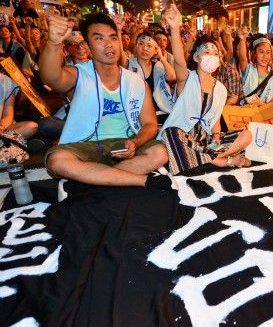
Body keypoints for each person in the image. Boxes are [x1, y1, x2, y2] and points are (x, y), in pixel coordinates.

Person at [38, 11, 174, 194]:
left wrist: (135, 142)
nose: (109, 44)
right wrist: (54, 43)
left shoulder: (136, 82)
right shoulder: (79, 73)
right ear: (87, 46)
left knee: (161, 152)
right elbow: (51, 78)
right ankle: (142, 181)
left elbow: (150, 124)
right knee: (57, 160)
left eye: (113, 38)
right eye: (99, 39)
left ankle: (89, 181)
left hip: (124, 144)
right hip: (86, 145)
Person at [161, 4, 252, 170]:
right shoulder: (187, 78)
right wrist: (175, 28)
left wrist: (217, 135)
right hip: (184, 135)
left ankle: (204, 157)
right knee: (170, 133)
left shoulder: (221, 89)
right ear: (196, 58)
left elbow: (215, 120)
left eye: (215, 53)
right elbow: (179, 61)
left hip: (205, 139)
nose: (212, 56)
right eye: (207, 52)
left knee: (246, 135)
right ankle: (219, 160)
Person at [38, 30, 91, 138]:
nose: (80, 47)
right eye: (73, 44)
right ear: (66, 49)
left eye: (82, 43)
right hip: (76, 116)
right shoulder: (66, 71)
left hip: (99, 117)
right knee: (45, 124)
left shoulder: (99, 65)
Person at [118, 24, 177, 120]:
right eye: (141, 44)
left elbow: (172, 76)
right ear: (136, 46)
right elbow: (120, 52)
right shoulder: (128, 63)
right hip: (136, 113)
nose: (145, 48)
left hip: (159, 112)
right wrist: (118, 29)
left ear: (155, 50)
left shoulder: (157, 65)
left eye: (149, 46)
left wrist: (161, 57)